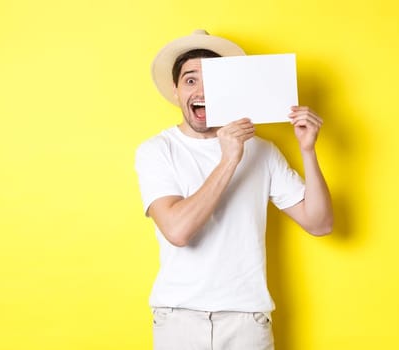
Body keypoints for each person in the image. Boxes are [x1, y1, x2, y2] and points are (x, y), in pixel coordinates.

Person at [135, 29, 333, 350]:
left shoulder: (263, 151)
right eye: (190, 80)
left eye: (212, 81)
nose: (201, 90)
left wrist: (308, 150)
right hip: (178, 319)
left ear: (231, 89)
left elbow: (320, 223)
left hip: (247, 319)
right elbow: (178, 231)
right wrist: (229, 158)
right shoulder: (157, 150)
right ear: (175, 91)